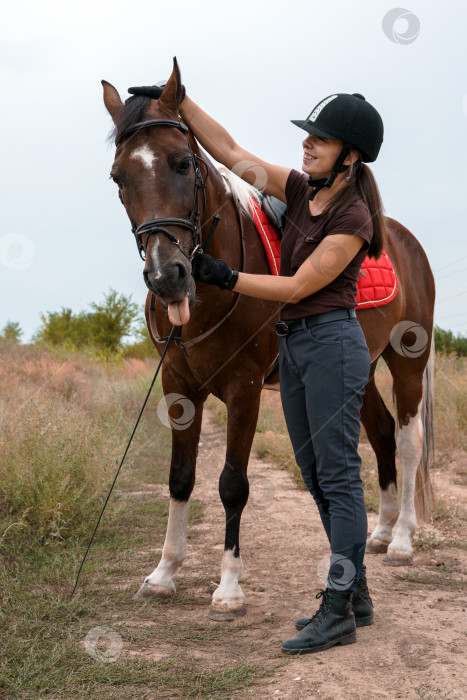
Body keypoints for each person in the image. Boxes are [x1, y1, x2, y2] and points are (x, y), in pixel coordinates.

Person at [179, 89, 385, 654]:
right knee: (316, 476)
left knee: (339, 477)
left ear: (350, 155)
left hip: (333, 347)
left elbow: (297, 287)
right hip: (293, 348)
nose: (306, 142)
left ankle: (338, 607)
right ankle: (358, 594)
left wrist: (226, 276)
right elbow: (228, 150)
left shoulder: (353, 217)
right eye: (307, 134)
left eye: (319, 137)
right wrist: (179, 101)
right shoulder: (298, 190)